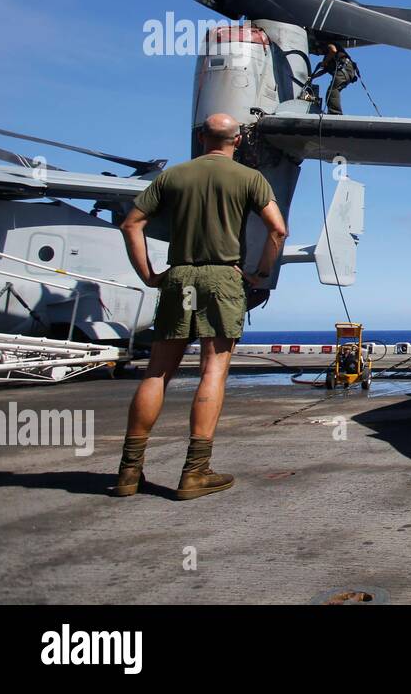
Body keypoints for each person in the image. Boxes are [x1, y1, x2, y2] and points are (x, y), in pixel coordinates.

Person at [113, 113, 288, 500]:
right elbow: (278, 229)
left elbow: (131, 224)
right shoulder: (249, 179)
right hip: (223, 278)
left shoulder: (172, 176)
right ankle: (194, 472)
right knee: (212, 371)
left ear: (201, 138)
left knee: (157, 373)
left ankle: (128, 472)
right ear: (238, 140)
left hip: (179, 277)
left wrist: (148, 274)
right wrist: (260, 271)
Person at [311, 43, 359, 115]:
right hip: (346, 73)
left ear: (319, 47)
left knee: (332, 91)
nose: (318, 53)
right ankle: (334, 112)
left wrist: (324, 62)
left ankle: (336, 113)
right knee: (331, 92)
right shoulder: (327, 57)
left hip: (344, 70)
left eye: (317, 51)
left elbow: (333, 50)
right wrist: (312, 77)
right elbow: (323, 71)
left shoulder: (329, 45)